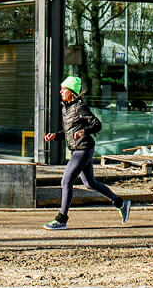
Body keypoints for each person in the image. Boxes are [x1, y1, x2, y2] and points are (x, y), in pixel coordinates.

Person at [43, 75, 131, 231]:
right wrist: (55, 136)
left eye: (64, 89)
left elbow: (97, 124)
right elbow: (69, 131)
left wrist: (84, 131)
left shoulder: (79, 107)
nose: (61, 91)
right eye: (62, 88)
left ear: (72, 92)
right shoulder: (67, 107)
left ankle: (61, 219)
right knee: (90, 183)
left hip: (83, 149)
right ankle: (120, 203)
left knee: (66, 181)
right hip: (79, 149)